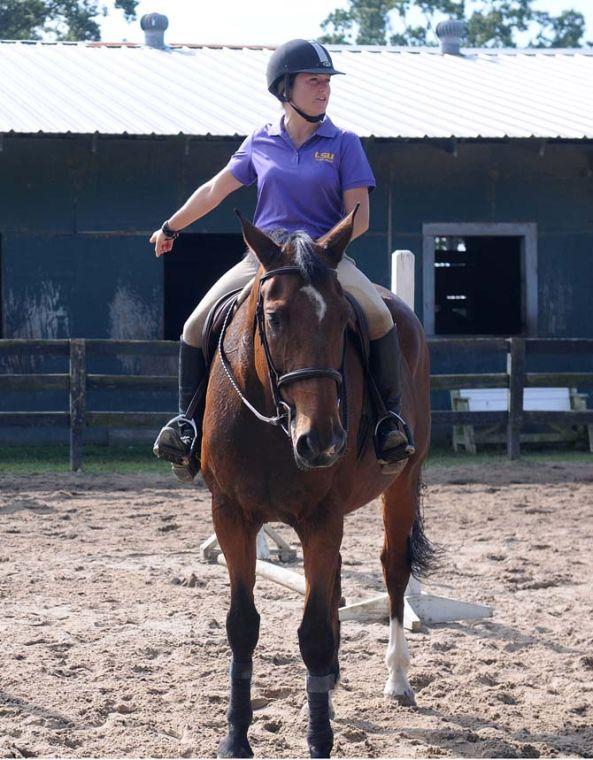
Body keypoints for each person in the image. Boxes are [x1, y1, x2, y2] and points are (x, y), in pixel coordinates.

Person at [150, 39, 415, 482]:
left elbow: (360, 217)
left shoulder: (345, 143)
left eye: (327, 81)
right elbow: (216, 190)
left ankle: (389, 422)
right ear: (285, 88)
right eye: (314, 80)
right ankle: (187, 426)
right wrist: (172, 226)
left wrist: (317, 250)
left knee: (379, 317)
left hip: (325, 261)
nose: (324, 88)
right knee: (194, 326)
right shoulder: (261, 141)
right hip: (267, 260)